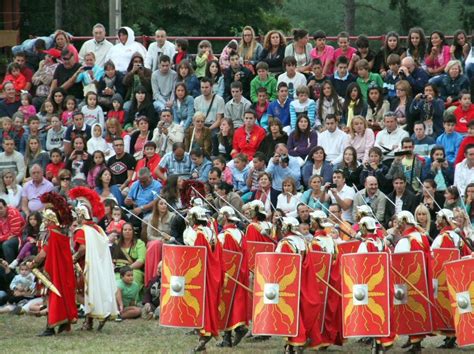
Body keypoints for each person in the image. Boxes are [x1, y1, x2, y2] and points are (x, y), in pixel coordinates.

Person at [69, 186, 119, 330]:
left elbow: (83, 248)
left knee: (79, 294)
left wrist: (73, 258)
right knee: (92, 292)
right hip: (98, 266)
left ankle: (98, 312)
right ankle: (88, 322)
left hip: (84, 266)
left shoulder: (81, 230)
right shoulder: (98, 228)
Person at [28, 192, 77, 336]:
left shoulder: (51, 233)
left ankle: (50, 327)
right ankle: (62, 323)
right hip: (61, 269)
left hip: (52, 269)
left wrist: (33, 263)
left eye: (45, 217)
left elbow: (44, 252)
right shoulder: (61, 232)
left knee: (51, 297)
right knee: (59, 294)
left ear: (50, 219)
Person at [183, 206, 223, 352]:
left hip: (203, 274)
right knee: (208, 304)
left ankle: (204, 337)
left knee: (202, 305)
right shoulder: (211, 231)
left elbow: (196, 255)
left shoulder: (199, 234)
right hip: (213, 272)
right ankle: (202, 341)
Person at [392, 210, 432, 353]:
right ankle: (414, 341)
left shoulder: (406, 240)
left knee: (411, 312)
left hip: (409, 281)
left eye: (398, 222)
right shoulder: (421, 236)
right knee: (418, 310)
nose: (397, 226)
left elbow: (398, 261)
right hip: (422, 280)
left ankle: (416, 345)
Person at [216, 206, 249, 347]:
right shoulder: (241, 233)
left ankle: (236, 330)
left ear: (224, 217)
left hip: (227, 273)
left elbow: (218, 256)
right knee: (234, 303)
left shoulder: (223, 236)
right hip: (240, 272)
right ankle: (228, 337)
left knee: (225, 303)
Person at [111, 222, 146, 291]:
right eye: (125, 230)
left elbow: (141, 260)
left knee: (132, 278)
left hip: (133, 270)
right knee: (113, 279)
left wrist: (126, 269)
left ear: (133, 232)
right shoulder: (116, 243)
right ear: (122, 232)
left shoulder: (139, 243)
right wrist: (113, 268)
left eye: (130, 230)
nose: (127, 231)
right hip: (117, 270)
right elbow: (111, 259)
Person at [0, 198, 25, 263]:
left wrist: (1, 238)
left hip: (19, 236)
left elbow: (15, 233)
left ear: (6, 207)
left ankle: (11, 269)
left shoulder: (13, 213)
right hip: (6, 236)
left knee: (6, 245)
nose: (0, 211)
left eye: (1, 208)